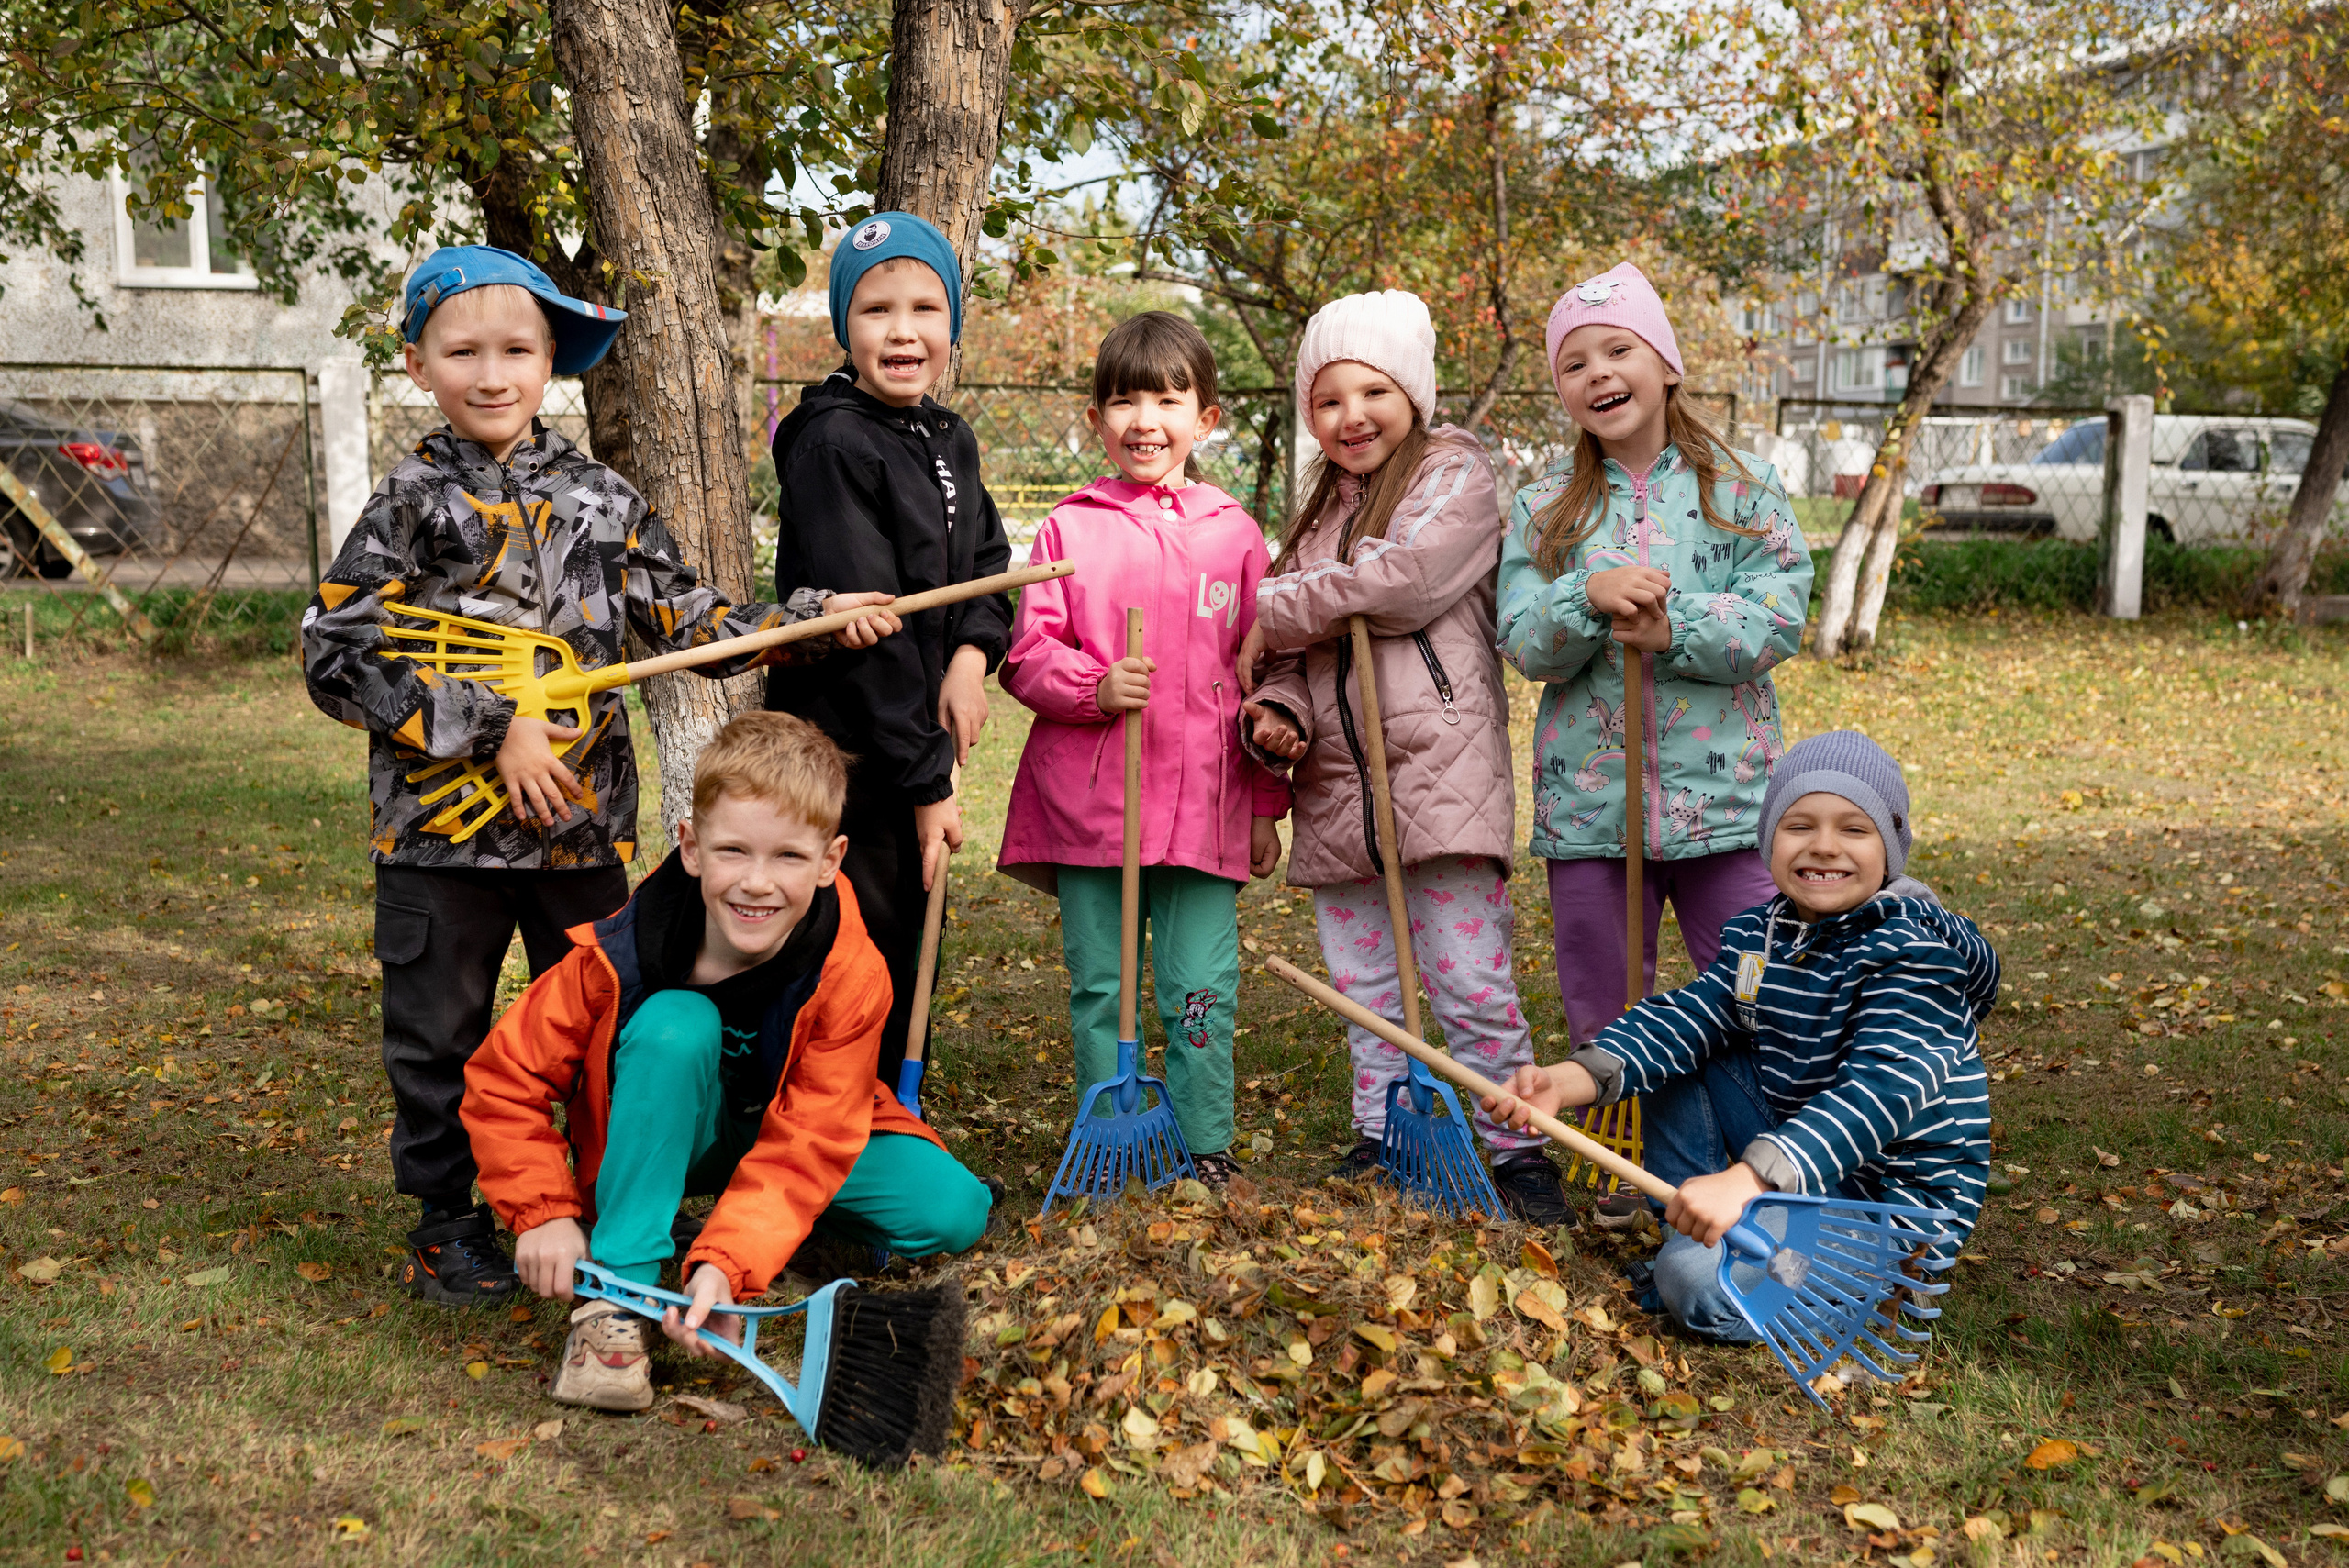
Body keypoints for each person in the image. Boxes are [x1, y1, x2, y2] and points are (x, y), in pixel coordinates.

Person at [303, 246, 899, 1307]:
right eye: (464, 351)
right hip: (438, 841)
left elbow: (692, 624)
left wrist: (809, 621)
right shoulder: (408, 501)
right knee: (440, 1036)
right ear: (417, 364)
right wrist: (492, 727)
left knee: (611, 1021)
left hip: (577, 834)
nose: (493, 373)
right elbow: (334, 650)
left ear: (551, 363)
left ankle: (605, 1194)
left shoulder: (600, 497)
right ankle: (450, 1223)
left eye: (518, 350)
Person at [462, 712, 996, 1412]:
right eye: (734, 851)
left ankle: (769, 1232)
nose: (756, 883)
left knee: (956, 1209)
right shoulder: (620, 952)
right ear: (690, 845)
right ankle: (618, 1295)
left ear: (832, 860)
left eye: (788, 858)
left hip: (790, 1125)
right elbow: (505, 1080)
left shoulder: (851, 971)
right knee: (677, 1023)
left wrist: (726, 1262)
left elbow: (810, 1140)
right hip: (673, 1129)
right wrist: (541, 1212)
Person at [1480, 731, 1997, 1341]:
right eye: (1799, 824)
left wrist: (1748, 1178)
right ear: (1767, 840)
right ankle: (1705, 1229)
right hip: (1796, 1162)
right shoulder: (1764, 934)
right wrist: (1569, 1080)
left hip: (1882, 1207)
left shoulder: (1915, 954)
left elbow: (1876, 1096)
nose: (1824, 845)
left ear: (1890, 849)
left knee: (1691, 1283)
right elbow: (1688, 1015)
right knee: (1688, 1047)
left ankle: (1864, 1288)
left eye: (1854, 829)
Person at [1492, 262, 1812, 1229]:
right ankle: (1624, 1162)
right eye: (1573, 362)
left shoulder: (1738, 490)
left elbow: (1778, 617)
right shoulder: (1546, 504)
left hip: (1727, 803)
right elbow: (1520, 638)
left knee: (1750, 990)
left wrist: (1675, 624)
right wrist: (1581, 597)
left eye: (1618, 349)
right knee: (1606, 990)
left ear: (1664, 363)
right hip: (1595, 811)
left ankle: (1749, 1160)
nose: (1597, 373)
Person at [1236, 290, 1567, 1225]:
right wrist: (1273, 708)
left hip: (1438, 768)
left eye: (1371, 390)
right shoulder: (1311, 519)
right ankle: (1386, 1133)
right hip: (1339, 784)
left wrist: (1272, 603)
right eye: (1328, 399)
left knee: (1468, 978)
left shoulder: (1453, 475)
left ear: (1412, 394)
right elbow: (1296, 658)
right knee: (1366, 986)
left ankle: (1515, 1149)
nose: (1351, 416)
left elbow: (1405, 583)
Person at [996, 312, 1289, 1187]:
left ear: (1206, 419)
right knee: (1100, 988)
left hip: (1203, 805)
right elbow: (1027, 652)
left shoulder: (1235, 534)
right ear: (1095, 418)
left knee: (1200, 989)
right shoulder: (1069, 529)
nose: (1144, 420)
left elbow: (1266, 683)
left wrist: (1267, 806)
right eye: (1122, 400)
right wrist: (1092, 688)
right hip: (1095, 809)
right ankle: (1114, 1133)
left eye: (1167, 398)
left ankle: (1204, 1141)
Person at [766, 213, 1013, 1096]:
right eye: (875, 311)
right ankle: (827, 1126)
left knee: (914, 931)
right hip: (850, 757)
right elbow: (873, 642)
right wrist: (928, 783)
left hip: (916, 736)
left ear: (952, 323)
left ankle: (890, 1115)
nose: (902, 331)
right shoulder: (834, 442)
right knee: (852, 944)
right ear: (843, 326)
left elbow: (987, 564)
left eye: (925, 308)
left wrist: (971, 660)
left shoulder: (948, 437)